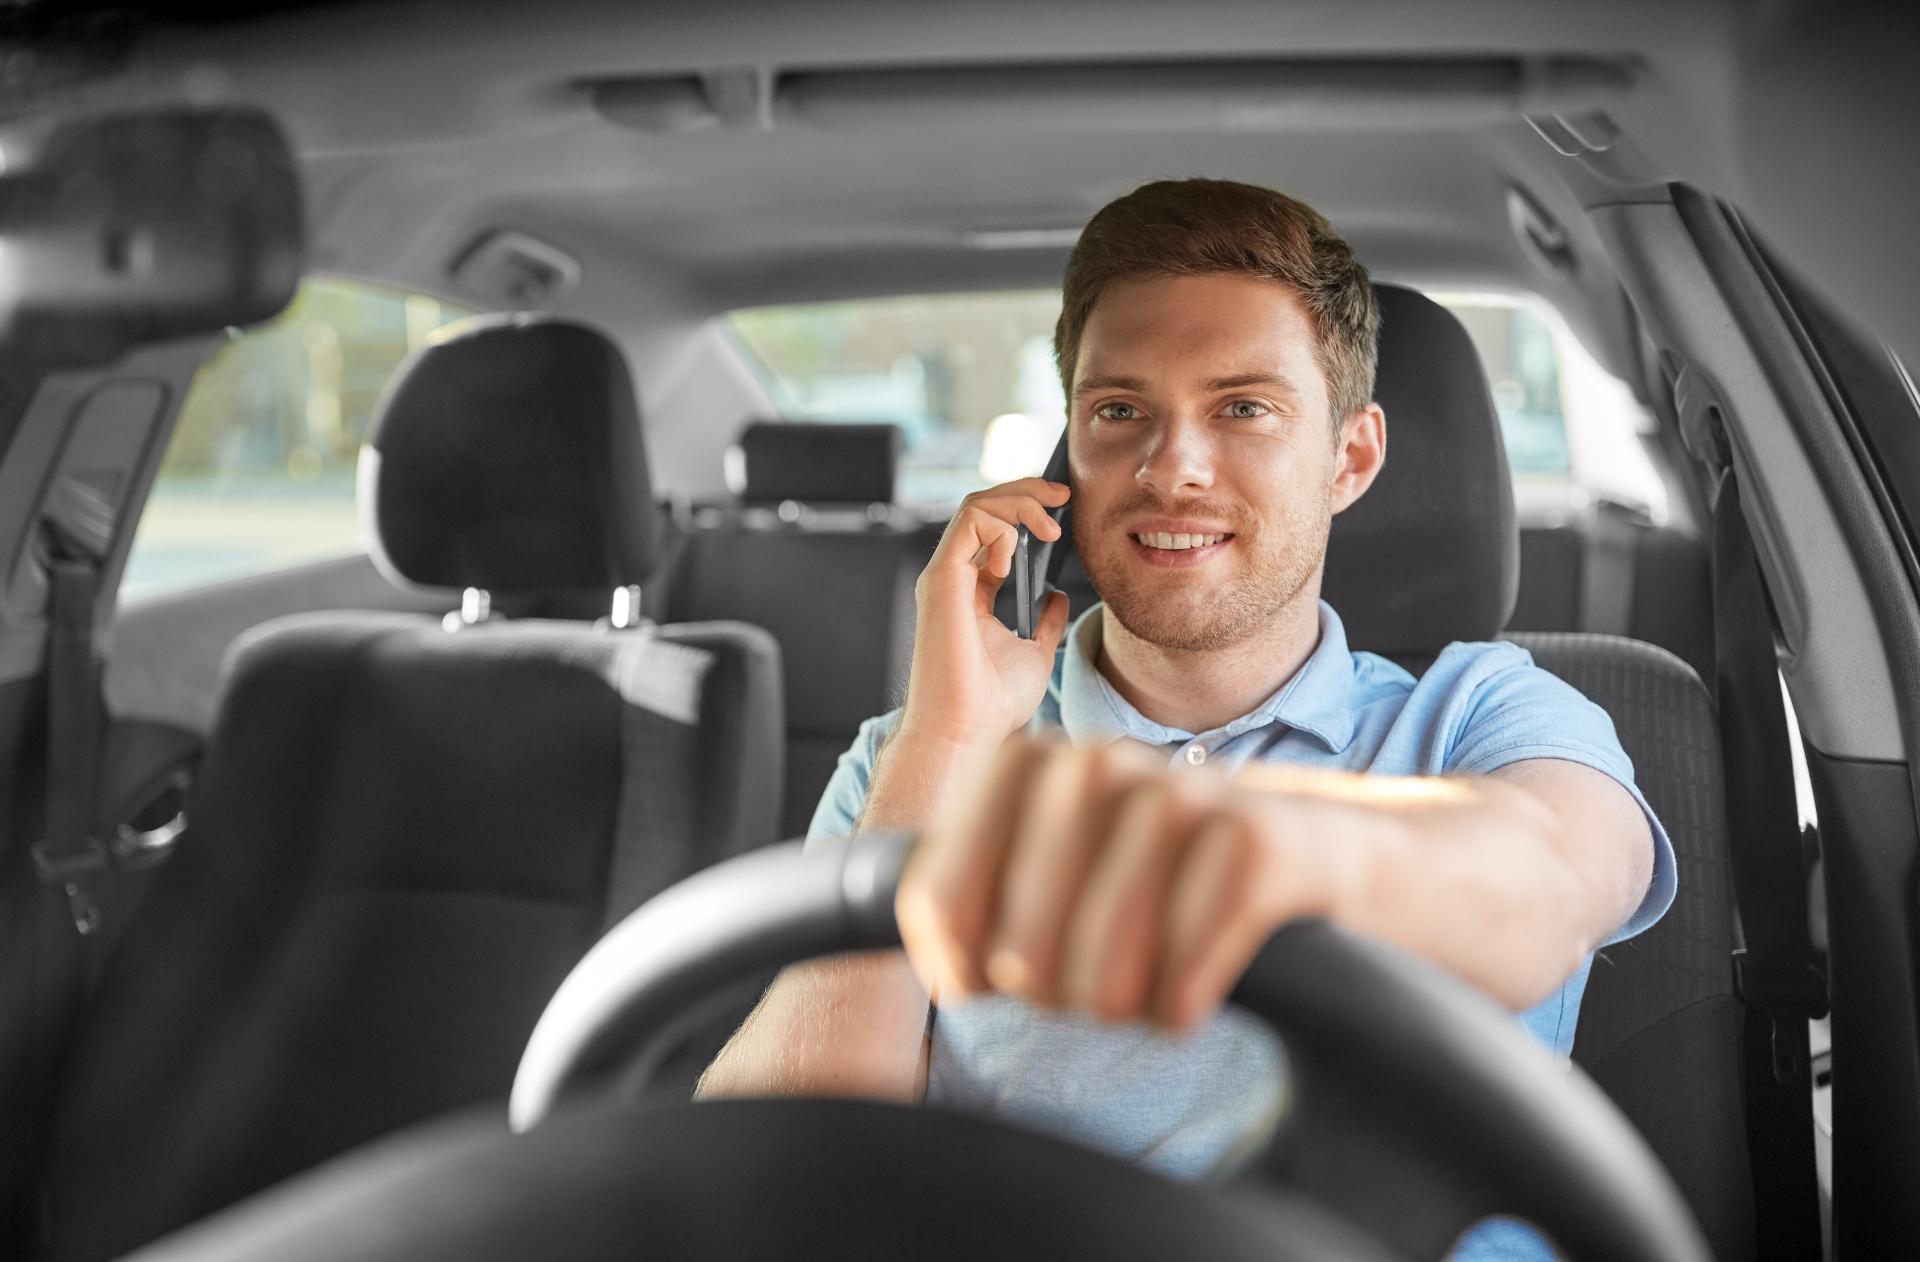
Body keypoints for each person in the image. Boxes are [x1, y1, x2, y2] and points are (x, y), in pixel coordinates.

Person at [696, 178, 1676, 1260]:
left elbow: (1547, 879)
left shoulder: (1485, 712)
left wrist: (1253, 843)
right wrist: (943, 747)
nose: (1172, 469)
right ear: (1068, 447)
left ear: (1350, 457)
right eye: (1120, 411)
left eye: (1243, 408)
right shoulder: (914, 754)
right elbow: (769, 1169)